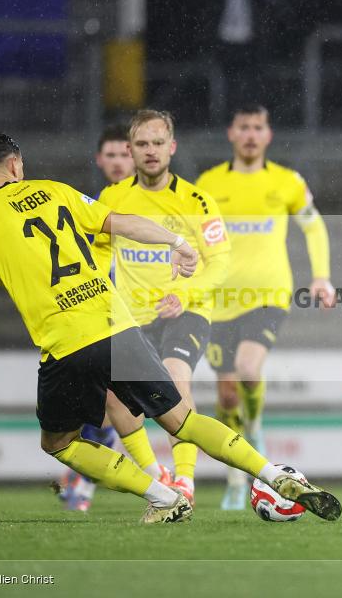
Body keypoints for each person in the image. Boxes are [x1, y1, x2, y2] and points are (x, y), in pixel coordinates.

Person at [0, 132, 342, 524]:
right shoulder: (58, 192)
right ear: (17, 164)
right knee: (183, 420)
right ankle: (273, 472)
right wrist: (177, 242)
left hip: (67, 344)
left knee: (59, 442)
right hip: (118, 325)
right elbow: (123, 222)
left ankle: (160, 494)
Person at [195, 104, 336, 509]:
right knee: (225, 396)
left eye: (258, 127)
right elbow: (193, 234)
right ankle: (236, 476)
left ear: (268, 135)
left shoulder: (287, 182)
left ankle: (254, 430)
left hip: (269, 295)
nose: (251, 134)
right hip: (218, 301)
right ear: (231, 133)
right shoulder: (208, 183)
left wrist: (321, 276)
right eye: (244, 127)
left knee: (248, 370)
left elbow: (314, 226)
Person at [89, 110, 231, 507]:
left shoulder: (196, 200)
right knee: (114, 399)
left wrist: (186, 295)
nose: (150, 151)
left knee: (173, 381)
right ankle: (157, 477)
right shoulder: (113, 199)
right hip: (133, 316)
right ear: (130, 151)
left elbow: (221, 261)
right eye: (141, 144)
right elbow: (99, 252)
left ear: (172, 147)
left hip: (187, 310)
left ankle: (185, 480)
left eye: (157, 143)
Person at [57, 123, 150, 512]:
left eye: (123, 154)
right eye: (109, 154)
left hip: (150, 312)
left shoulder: (151, 203)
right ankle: (93, 479)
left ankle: (95, 479)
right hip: (105, 313)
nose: (116, 161)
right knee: (108, 400)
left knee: (120, 404)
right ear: (99, 159)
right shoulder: (92, 205)